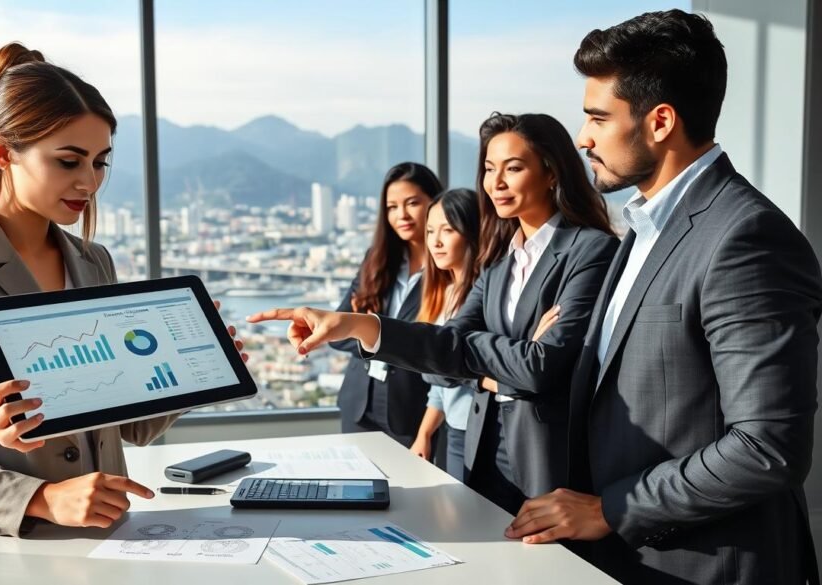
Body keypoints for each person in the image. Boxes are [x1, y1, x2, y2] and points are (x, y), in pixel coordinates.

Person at [502, 10, 822, 585]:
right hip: (631, 561)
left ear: (660, 122)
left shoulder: (745, 237)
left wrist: (609, 509)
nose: (583, 137)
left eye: (598, 117)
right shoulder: (645, 228)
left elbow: (768, 446)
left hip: (707, 566)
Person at [0, 43, 245, 537]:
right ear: (3, 152)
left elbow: (129, 427)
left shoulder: (94, 261)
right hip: (11, 547)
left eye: (99, 162)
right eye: (69, 161)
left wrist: (195, 369)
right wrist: (39, 498)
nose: (89, 182)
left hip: (114, 535)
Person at [250, 112, 618, 514]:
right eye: (489, 169)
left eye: (513, 168)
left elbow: (539, 368)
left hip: (545, 460)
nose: (495, 183)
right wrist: (359, 324)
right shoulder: (499, 262)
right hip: (482, 450)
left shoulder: (590, 250)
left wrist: (481, 359)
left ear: (552, 172)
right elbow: (440, 365)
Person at [329, 162, 443, 448]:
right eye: (392, 207)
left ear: (435, 202)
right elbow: (336, 332)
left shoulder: (447, 264)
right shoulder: (377, 260)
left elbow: (440, 344)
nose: (401, 215)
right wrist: (380, 337)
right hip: (359, 401)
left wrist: (365, 328)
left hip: (411, 407)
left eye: (412, 203)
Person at [408, 188, 481, 480]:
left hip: (479, 430)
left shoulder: (482, 297)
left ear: (472, 233)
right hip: (454, 428)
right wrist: (424, 433)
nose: (435, 242)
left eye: (448, 230)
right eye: (429, 231)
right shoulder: (445, 294)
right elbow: (441, 384)